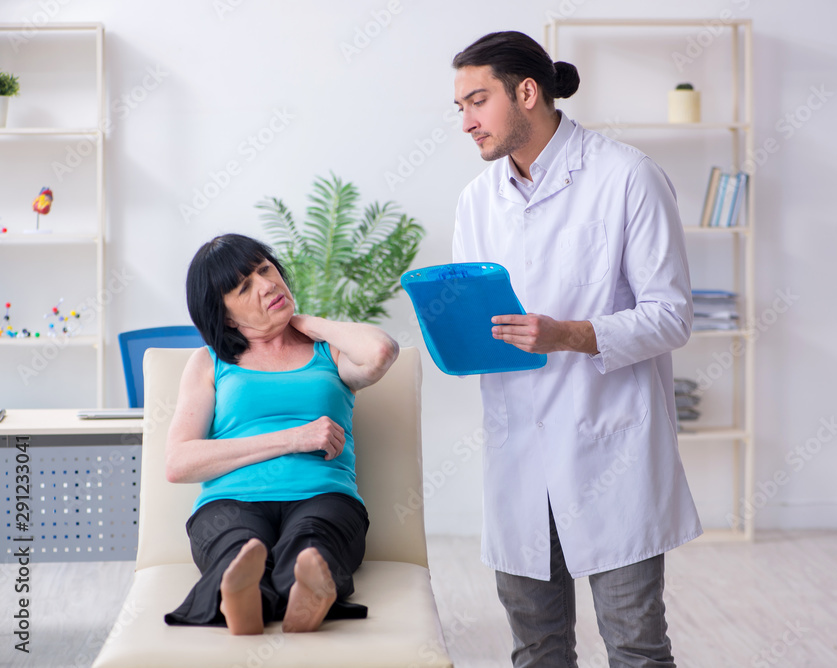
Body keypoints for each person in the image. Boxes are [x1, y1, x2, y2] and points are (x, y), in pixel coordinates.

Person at [451, 32, 702, 667]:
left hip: (610, 449)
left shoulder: (627, 177)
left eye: (477, 101)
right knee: (535, 649)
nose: (466, 122)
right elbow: (477, 321)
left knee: (637, 648)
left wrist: (569, 334)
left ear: (527, 92)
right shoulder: (477, 201)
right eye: (459, 108)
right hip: (518, 455)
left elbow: (671, 317)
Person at [162, 233, 399, 635]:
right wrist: (294, 438)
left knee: (312, 543)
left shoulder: (327, 350)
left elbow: (381, 352)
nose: (267, 284)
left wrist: (304, 322)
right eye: (244, 286)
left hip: (322, 496)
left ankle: (300, 596)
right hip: (231, 501)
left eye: (265, 269)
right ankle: (242, 596)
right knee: (238, 546)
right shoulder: (209, 362)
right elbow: (177, 462)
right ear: (225, 317)